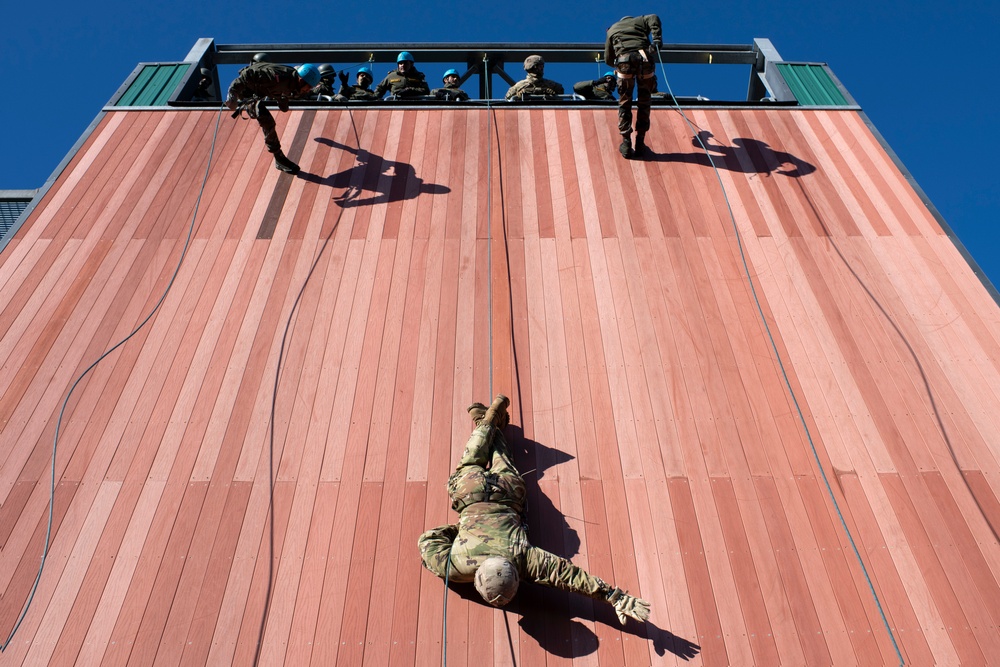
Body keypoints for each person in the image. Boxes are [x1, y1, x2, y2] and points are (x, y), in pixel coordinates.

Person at [418, 395, 652, 624]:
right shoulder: (456, 566)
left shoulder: (524, 560)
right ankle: (485, 422)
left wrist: (616, 597)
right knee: (470, 462)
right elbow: (429, 540)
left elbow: (566, 575)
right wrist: (463, 528)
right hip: (471, 494)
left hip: (508, 492)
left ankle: (487, 422)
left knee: (502, 460)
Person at [224, 60, 321, 174]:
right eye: (308, 87)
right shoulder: (277, 76)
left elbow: (280, 89)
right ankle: (279, 157)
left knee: (267, 112)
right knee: (267, 120)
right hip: (246, 92)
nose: (307, 90)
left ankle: (279, 158)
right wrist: (232, 94)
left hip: (259, 90)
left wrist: (281, 99)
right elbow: (247, 75)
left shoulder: (294, 83)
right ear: (301, 80)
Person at [605, 14, 662, 158]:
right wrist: (656, 40)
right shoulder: (639, 21)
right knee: (644, 101)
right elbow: (653, 17)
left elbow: (608, 59)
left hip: (624, 62)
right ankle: (640, 142)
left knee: (625, 102)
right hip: (644, 60)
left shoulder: (611, 30)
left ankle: (626, 142)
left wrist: (619, 64)